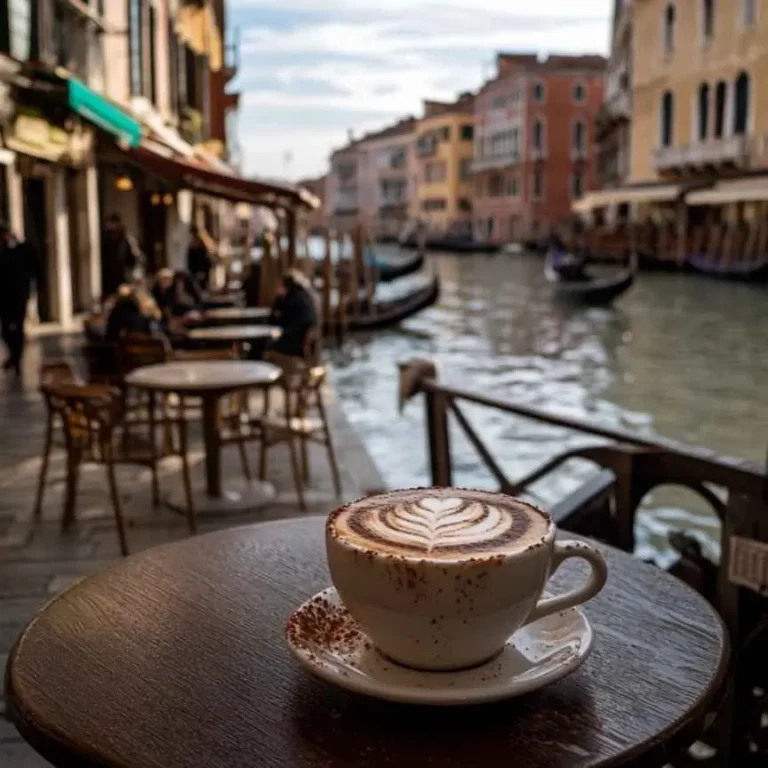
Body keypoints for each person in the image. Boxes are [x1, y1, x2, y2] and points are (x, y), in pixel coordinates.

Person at [0, 222, 38, 376]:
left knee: (18, 328)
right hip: (3, 297)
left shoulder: (22, 248)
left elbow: (34, 266)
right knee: (6, 331)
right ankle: (15, 356)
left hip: (18, 294)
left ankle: (16, 358)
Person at [268, 270, 319, 358]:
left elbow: (277, 320)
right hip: (299, 337)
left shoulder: (293, 298)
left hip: (294, 340)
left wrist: (278, 299)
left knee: (263, 344)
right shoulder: (303, 295)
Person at [101, 214, 144, 298]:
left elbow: (134, 256)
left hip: (123, 273)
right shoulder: (105, 237)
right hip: (108, 273)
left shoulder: (125, 237)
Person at [187, 227, 212, 292]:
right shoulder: (192, 244)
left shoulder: (201, 245)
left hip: (201, 270)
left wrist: (202, 271)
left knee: (201, 287)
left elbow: (204, 259)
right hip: (195, 271)